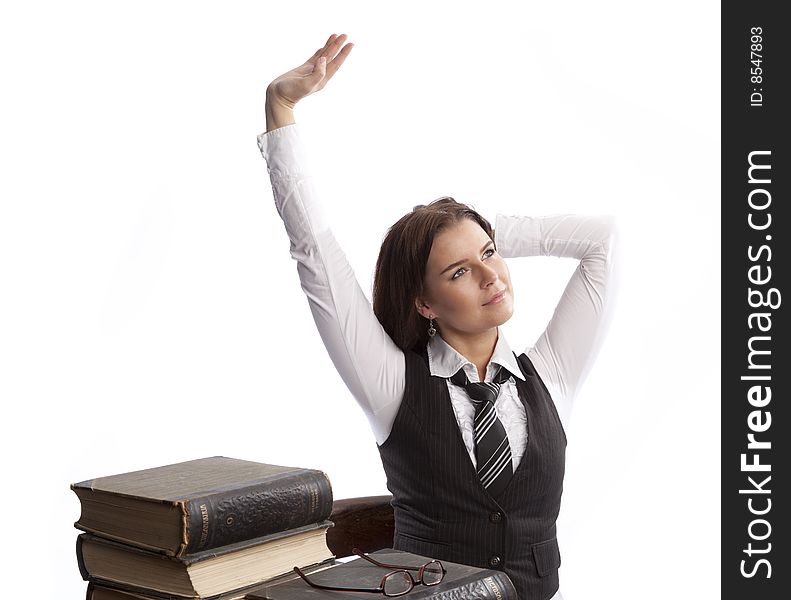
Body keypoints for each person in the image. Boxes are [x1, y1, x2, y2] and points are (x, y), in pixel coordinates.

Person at [258, 33, 617, 600]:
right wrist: (281, 109)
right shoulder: (392, 383)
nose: (491, 277)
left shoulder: (551, 374)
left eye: (490, 257)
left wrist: (486, 233)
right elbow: (314, 252)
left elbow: (603, 241)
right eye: (459, 273)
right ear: (422, 303)